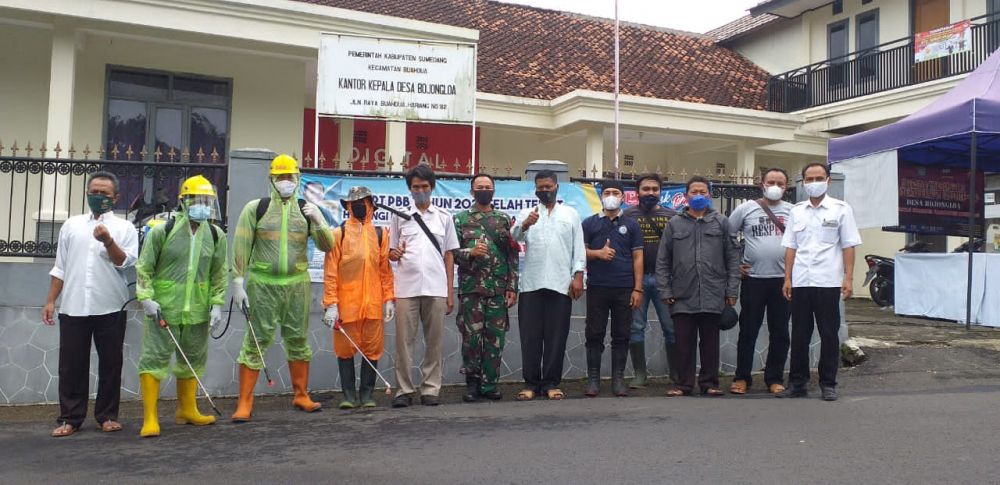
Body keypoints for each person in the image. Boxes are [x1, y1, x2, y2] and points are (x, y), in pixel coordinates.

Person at [230, 154, 334, 421]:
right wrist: (238, 281)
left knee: (298, 339)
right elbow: (241, 244)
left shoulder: (306, 209)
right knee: (255, 340)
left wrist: (320, 221)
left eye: (291, 177)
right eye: (281, 177)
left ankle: (301, 395)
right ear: (272, 180)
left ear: (298, 179)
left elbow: (328, 246)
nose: (286, 182)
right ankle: (244, 402)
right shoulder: (256, 208)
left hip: (297, 285)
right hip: (263, 285)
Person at [42, 171, 139, 437]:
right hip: (73, 306)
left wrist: (108, 241)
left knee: (111, 363)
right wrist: (50, 300)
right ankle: (70, 419)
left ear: (115, 197)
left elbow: (125, 262)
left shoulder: (125, 228)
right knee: (71, 365)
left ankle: (107, 416)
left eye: (104, 193)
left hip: (111, 306)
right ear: (87, 194)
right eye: (94, 192)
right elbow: (60, 267)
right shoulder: (71, 225)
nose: (98, 197)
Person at [134, 175, 228, 437]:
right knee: (154, 359)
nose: (203, 206)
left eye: (207, 201)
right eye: (198, 200)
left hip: (198, 309)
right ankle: (150, 418)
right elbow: (144, 266)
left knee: (193, 359)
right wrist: (146, 298)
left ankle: (187, 410)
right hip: (164, 308)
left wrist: (217, 304)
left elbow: (219, 273)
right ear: (184, 201)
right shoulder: (163, 230)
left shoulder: (215, 234)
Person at [780, 162, 861, 402]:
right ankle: (797, 383)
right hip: (801, 281)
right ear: (803, 182)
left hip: (828, 281)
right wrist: (787, 278)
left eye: (819, 178)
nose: (814, 183)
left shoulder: (841, 209)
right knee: (799, 335)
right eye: (809, 179)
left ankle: (828, 383)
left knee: (828, 334)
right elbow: (791, 247)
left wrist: (848, 278)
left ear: (828, 180)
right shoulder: (797, 211)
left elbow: (848, 245)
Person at [657, 176, 740, 397]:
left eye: (702, 191)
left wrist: (732, 290)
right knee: (683, 342)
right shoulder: (674, 223)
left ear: (709, 195)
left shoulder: (721, 222)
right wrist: (665, 289)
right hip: (682, 293)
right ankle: (684, 384)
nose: (698, 195)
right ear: (686, 196)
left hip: (713, 292)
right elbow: (663, 259)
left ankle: (709, 383)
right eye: (694, 192)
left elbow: (733, 258)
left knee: (710, 342)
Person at [388, 164, 459, 408]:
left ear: (433, 187)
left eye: (425, 186)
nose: (420, 191)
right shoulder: (399, 216)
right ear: (409, 189)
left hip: (436, 288)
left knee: (434, 342)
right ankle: (404, 390)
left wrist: (449, 292)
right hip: (406, 288)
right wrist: (394, 254)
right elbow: (392, 251)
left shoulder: (444, 217)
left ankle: (431, 389)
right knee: (403, 343)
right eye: (416, 187)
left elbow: (449, 255)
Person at [512, 170, 586, 401]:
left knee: (556, 337)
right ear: (535, 190)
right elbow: (514, 237)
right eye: (540, 188)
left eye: (548, 187)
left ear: (556, 187)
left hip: (560, 284)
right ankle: (531, 384)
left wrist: (578, 276)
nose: (544, 191)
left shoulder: (570, 214)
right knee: (530, 337)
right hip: (531, 284)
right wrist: (525, 225)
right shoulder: (527, 213)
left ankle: (552, 383)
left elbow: (578, 248)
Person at [322, 186, 394, 409]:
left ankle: (367, 394)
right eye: (355, 203)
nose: (360, 206)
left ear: (371, 204)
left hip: (373, 303)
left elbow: (385, 270)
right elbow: (330, 271)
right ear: (348, 206)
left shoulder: (380, 234)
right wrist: (331, 304)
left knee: (372, 348)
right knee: (345, 350)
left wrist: (389, 299)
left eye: (364, 202)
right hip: (347, 305)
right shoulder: (338, 234)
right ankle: (348, 396)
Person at [453, 174, 519, 402]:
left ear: (493, 191)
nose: (484, 190)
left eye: (487, 187)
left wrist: (512, 287)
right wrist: (469, 253)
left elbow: (512, 255)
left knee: (495, 339)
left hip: (497, 291)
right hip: (471, 290)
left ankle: (490, 384)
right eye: (479, 187)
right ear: (472, 192)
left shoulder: (504, 219)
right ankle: (472, 384)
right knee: (471, 339)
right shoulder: (460, 219)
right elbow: (451, 253)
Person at [728, 168, 794, 396]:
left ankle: (774, 378)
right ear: (762, 184)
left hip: (783, 281)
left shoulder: (793, 211)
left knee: (780, 332)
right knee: (748, 331)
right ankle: (742, 377)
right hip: (753, 280)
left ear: (786, 187)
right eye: (771, 182)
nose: (775, 186)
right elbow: (727, 236)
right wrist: (735, 264)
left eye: (780, 183)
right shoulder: (746, 208)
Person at [581, 180, 643, 397]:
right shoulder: (589, 223)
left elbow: (638, 257)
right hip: (597, 286)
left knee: (622, 334)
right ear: (601, 196)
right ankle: (593, 380)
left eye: (615, 192)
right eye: (607, 192)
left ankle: (618, 379)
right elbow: (580, 253)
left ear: (623, 197)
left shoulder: (632, 224)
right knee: (594, 333)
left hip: (624, 287)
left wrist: (638, 289)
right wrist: (598, 253)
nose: (611, 196)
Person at [622, 173, 677, 388]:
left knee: (671, 327)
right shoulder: (627, 216)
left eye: (655, 189)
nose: (650, 193)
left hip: (666, 280)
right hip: (637, 281)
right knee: (636, 327)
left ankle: (676, 373)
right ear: (637, 192)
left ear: (660, 192)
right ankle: (640, 374)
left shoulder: (672, 216)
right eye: (646, 189)